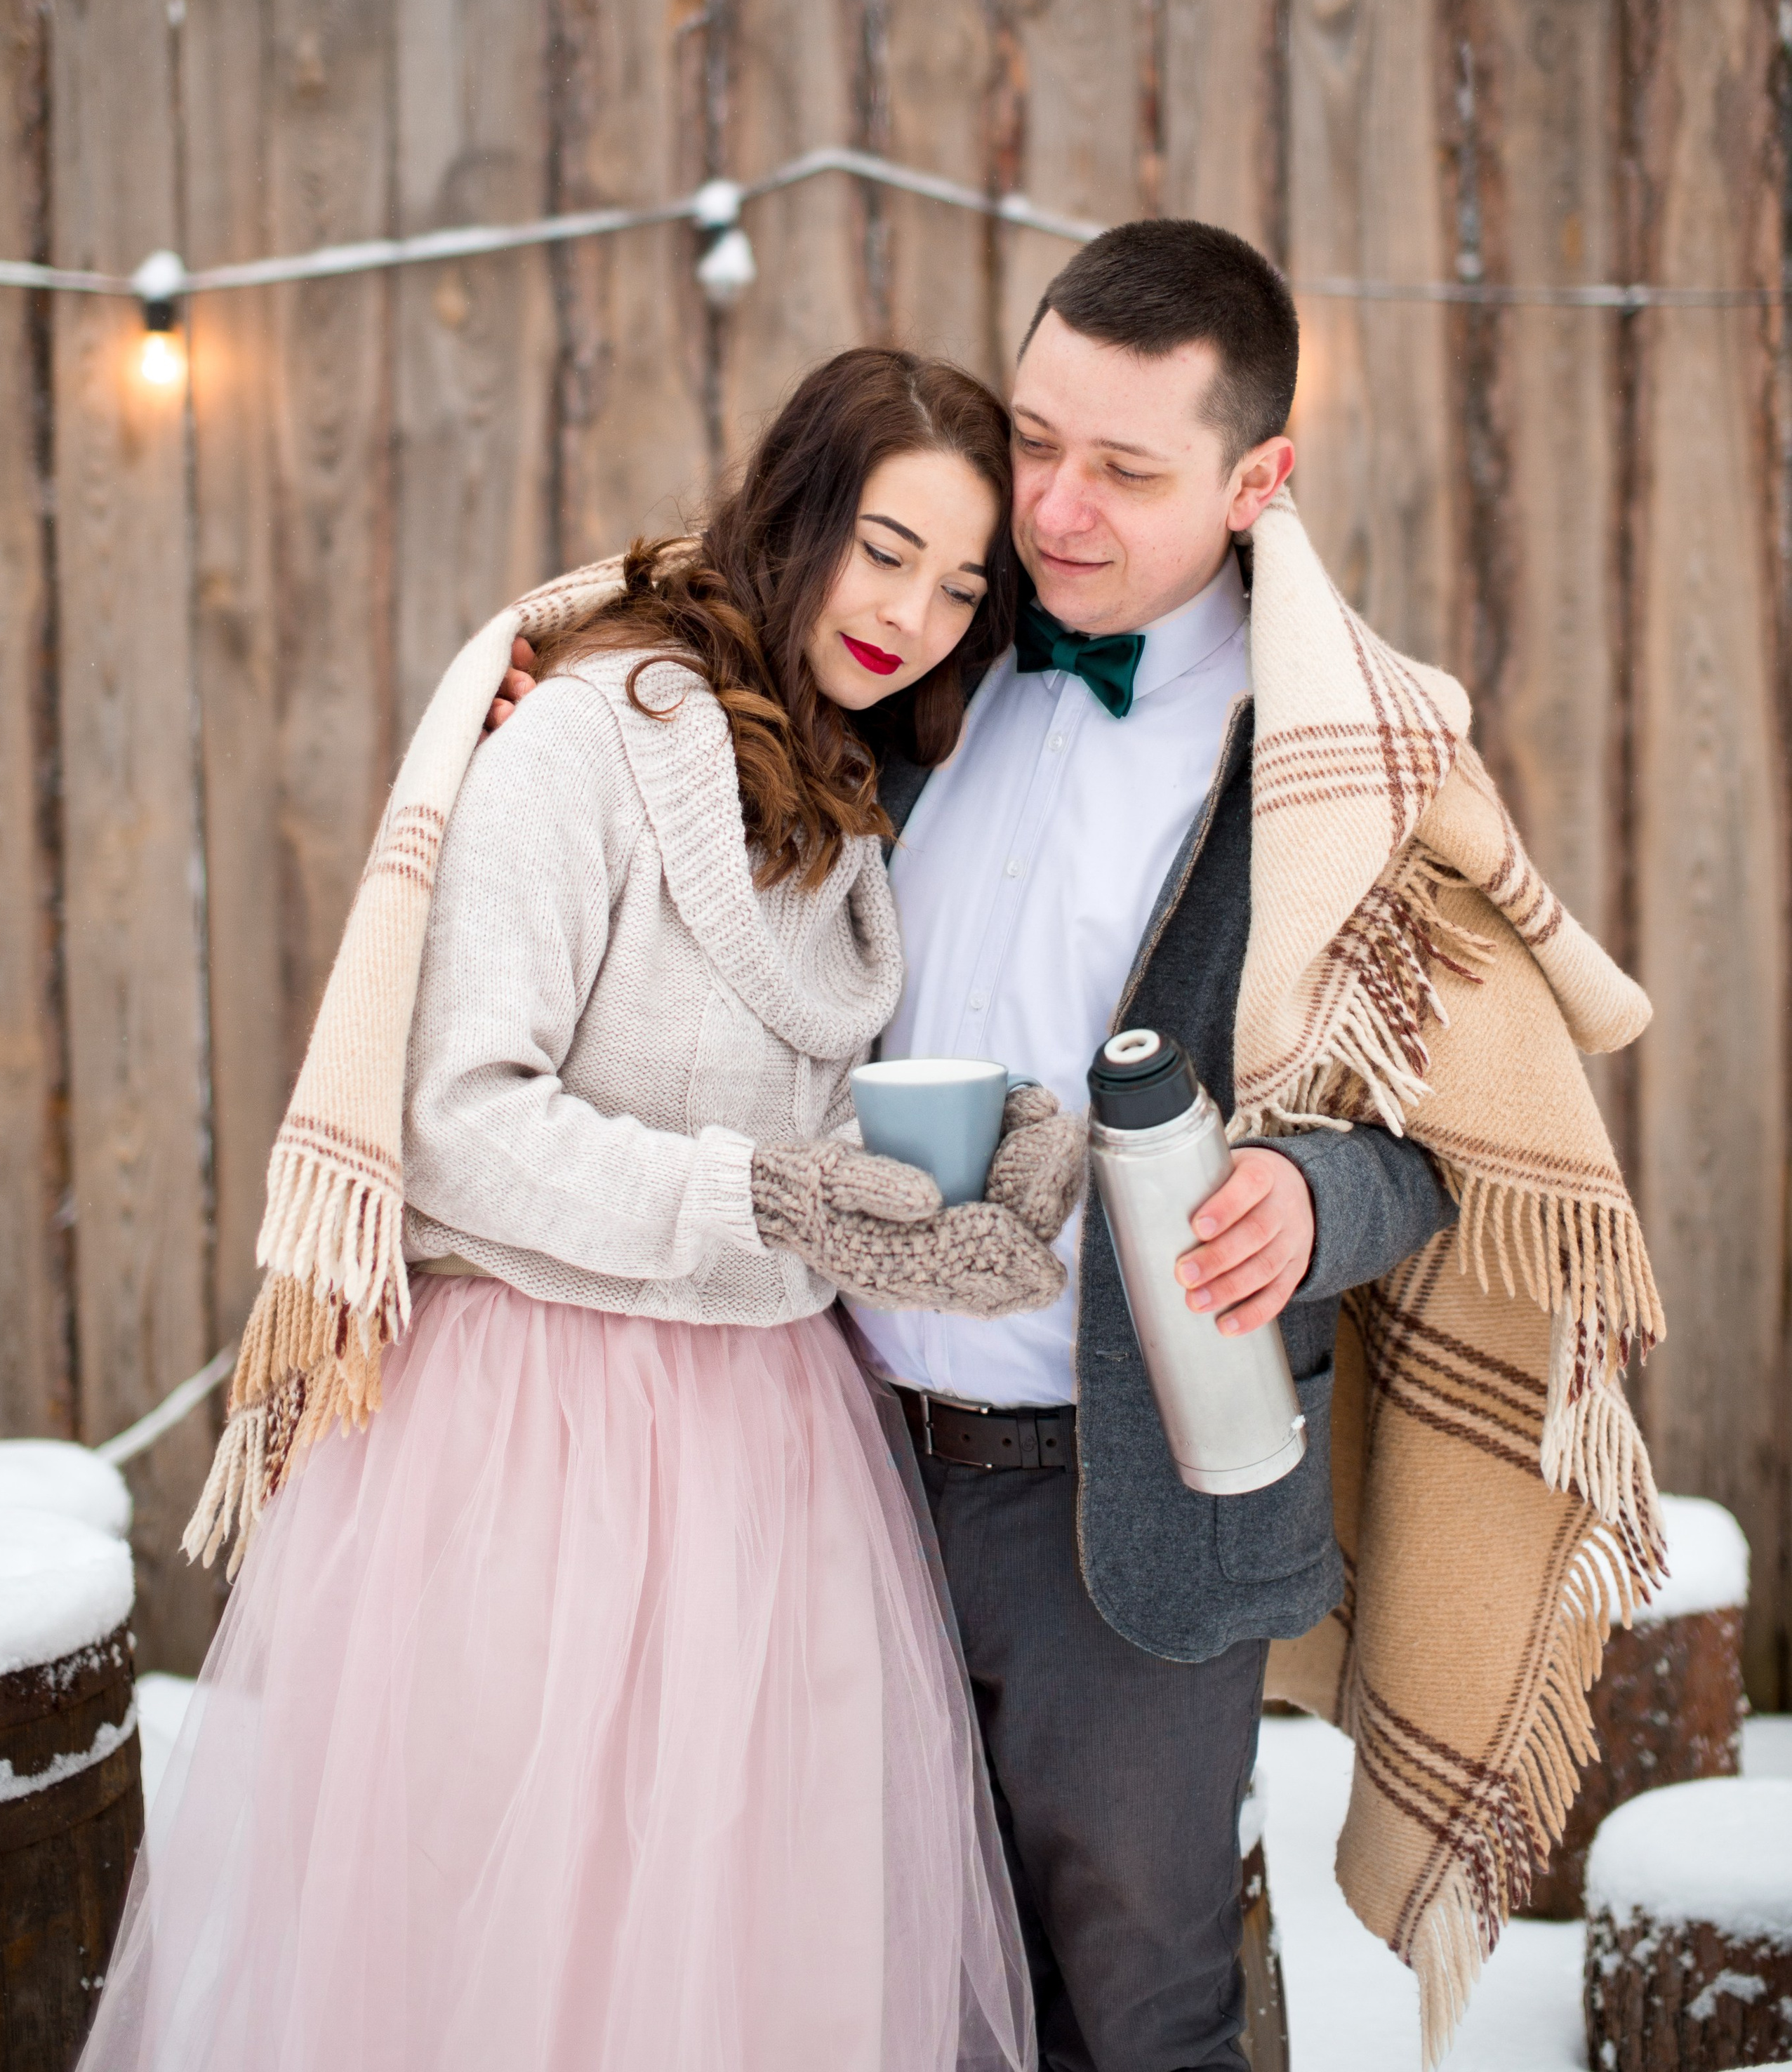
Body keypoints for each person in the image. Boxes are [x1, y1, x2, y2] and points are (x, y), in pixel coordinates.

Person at [489, 221, 1667, 2071]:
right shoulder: (920, 656)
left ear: (1257, 478)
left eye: (1125, 469)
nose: (1052, 506)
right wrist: (551, 673)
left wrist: (1312, 1191)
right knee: (878, 1988)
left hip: (1125, 1496)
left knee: (1141, 1994)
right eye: (1038, 439)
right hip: (830, 1452)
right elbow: (712, 651)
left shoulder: (1343, 751)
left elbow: (1473, 1138)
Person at [82, 348, 1096, 2072]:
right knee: (527, 1958)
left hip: (774, 1441)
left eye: (958, 582)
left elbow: (762, 1085)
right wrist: (766, 1197)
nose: (911, 609)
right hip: (542, 1439)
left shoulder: (852, 799)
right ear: (791, 511)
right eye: (882, 544)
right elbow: (462, 1125)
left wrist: (982, 1141)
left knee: (748, 1964)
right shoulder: (582, 740)